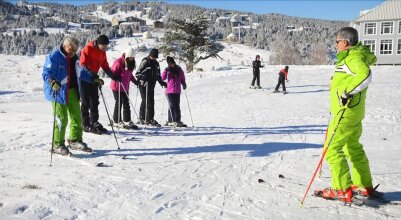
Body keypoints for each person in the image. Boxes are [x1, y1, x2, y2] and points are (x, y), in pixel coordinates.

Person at [318, 27, 380, 203]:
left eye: (337, 41)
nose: (336, 45)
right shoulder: (352, 57)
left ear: (345, 42)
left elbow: (365, 75)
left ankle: (341, 188)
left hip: (346, 112)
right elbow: (354, 76)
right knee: (351, 147)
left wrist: (346, 92)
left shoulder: (353, 57)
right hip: (352, 112)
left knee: (332, 149)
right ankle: (363, 185)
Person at [42, 37, 103, 155]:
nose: (74, 51)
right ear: (66, 46)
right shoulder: (54, 56)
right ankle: (57, 144)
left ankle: (75, 140)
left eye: (76, 49)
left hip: (73, 90)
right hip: (58, 90)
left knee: (77, 116)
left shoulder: (74, 57)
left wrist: (93, 78)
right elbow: (46, 73)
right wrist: (52, 81)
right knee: (61, 119)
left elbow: (82, 71)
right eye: (72, 49)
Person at [80, 34, 121, 134]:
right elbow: (83, 64)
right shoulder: (88, 49)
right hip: (84, 78)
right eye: (104, 46)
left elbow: (105, 66)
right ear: (99, 43)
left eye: (106, 46)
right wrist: (91, 75)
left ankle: (94, 122)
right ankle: (85, 124)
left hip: (94, 79)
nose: (105, 48)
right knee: (86, 102)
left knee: (95, 102)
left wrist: (113, 76)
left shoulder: (102, 52)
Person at [135, 48, 167, 127]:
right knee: (148, 102)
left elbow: (158, 75)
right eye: (153, 56)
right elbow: (137, 74)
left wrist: (161, 82)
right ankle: (149, 119)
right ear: (150, 55)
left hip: (152, 85)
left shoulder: (156, 63)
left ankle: (143, 118)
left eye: (156, 57)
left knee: (148, 101)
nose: (154, 58)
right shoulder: (145, 61)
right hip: (143, 85)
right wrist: (143, 78)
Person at [110, 47, 139, 129]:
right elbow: (112, 73)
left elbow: (130, 75)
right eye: (130, 57)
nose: (131, 59)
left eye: (133, 57)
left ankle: (127, 120)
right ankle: (117, 121)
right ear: (127, 56)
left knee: (126, 103)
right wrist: (116, 77)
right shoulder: (119, 62)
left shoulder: (131, 62)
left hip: (125, 87)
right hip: (117, 86)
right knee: (118, 102)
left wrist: (134, 81)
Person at [161, 56, 187, 127]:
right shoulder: (168, 70)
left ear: (174, 62)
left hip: (177, 91)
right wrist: (165, 71)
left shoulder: (179, 69)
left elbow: (182, 78)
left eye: (172, 63)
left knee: (177, 106)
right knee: (172, 105)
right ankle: (171, 120)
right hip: (169, 91)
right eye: (169, 64)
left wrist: (184, 83)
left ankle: (177, 120)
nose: (171, 65)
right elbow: (162, 78)